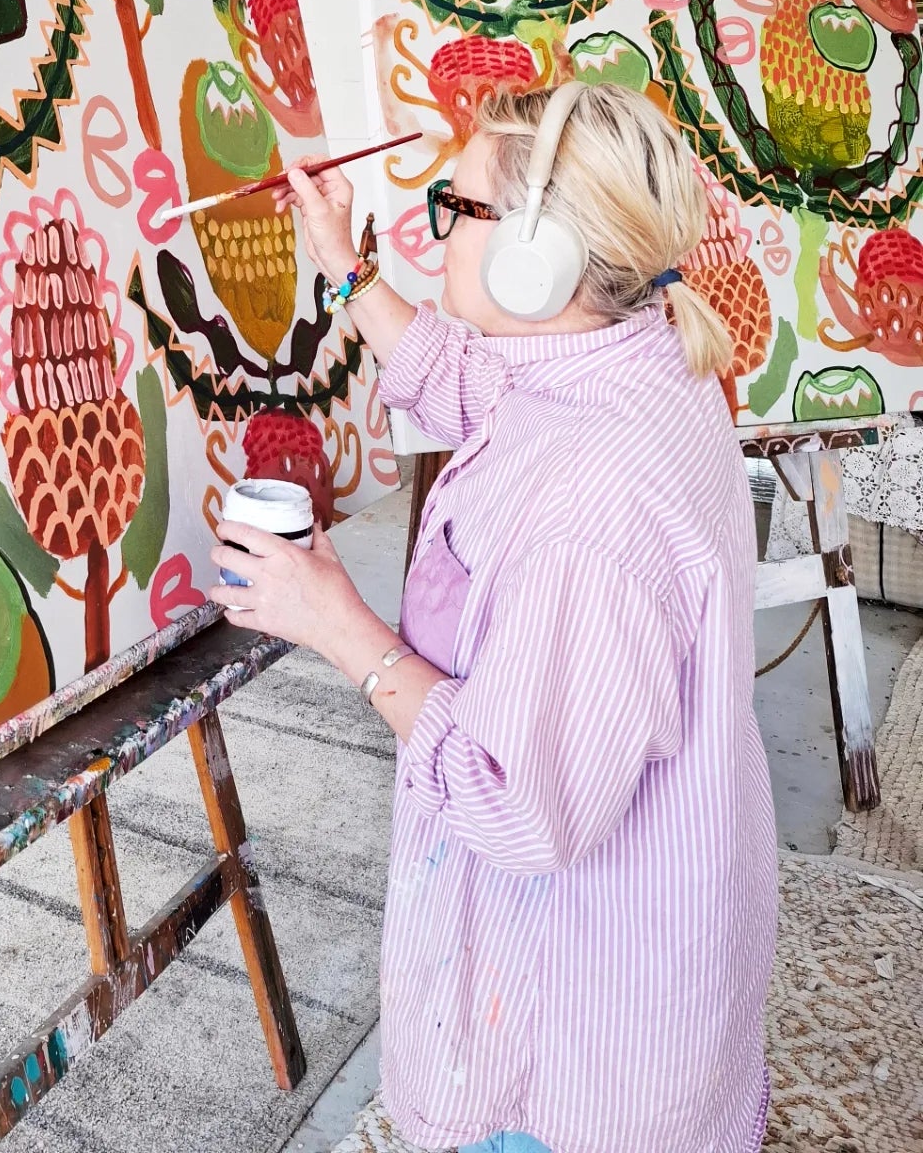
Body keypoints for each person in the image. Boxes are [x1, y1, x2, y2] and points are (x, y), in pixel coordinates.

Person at [210, 82, 776, 1153]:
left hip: (577, 1060)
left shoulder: (587, 508)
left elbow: (519, 807)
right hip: (657, 942)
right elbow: (478, 389)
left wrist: (338, 625)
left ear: (539, 256)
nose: (435, 229)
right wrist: (349, 266)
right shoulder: (633, 356)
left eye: (453, 208)